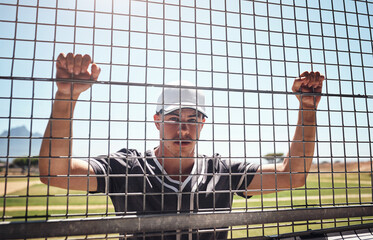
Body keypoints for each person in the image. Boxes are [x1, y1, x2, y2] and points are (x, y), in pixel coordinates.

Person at [39, 52, 325, 240]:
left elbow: (293, 176)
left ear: (203, 124)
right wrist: (67, 96)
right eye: (174, 118)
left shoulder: (221, 172)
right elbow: (55, 173)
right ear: (157, 122)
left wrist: (307, 109)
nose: (184, 128)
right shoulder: (126, 168)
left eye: (193, 118)